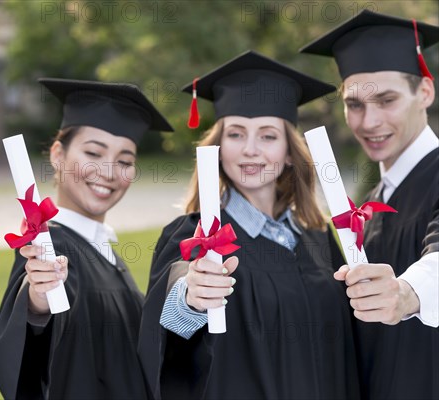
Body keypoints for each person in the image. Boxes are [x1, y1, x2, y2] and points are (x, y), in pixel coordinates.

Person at [138, 51, 360, 399]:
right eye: (236, 134)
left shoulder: (318, 237)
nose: (250, 150)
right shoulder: (194, 236)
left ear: (289, 152)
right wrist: (191, 297)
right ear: (219, 147)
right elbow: (167, 326)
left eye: (268, 136)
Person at [0, 78, 174, 399]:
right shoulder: (51, 248)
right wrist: (38, 300)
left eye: (125, 161)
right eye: (93, 152)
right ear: (57, 155)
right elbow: (41, 327)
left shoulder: (104, 251)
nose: (108, 171)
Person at [300, 10, 439, 399]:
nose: (369, 121)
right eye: (355, 104)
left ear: (424, 92)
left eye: (386, 99)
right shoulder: (370, 207)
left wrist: (407, 293)